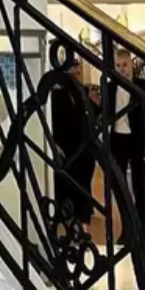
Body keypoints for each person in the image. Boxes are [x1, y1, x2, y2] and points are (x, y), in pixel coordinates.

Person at [110, 49, 145, 243]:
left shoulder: (144, 87)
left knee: (139, 187)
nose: (122, 69)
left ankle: (142, 233)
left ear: (131, 64)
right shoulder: (109, 87)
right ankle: (126, 230)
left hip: (138, 140)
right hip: (118, 140)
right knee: (120, 187)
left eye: (125, 65)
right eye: (118, 66)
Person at [50, 57, 95, 224]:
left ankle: (84, 211)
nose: (77, 75)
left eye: (78, 72)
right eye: (74, 73)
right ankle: (70, 213)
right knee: (70, 180)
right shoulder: (56, 94)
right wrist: (55, 144)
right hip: (67, 145)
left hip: (84, 144)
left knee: (84, 176)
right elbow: (54, 121)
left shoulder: (82, 91)